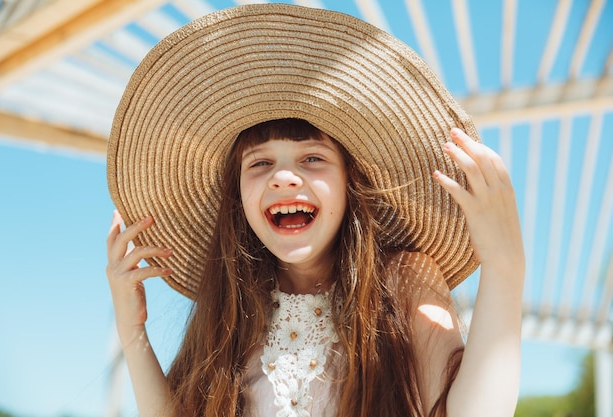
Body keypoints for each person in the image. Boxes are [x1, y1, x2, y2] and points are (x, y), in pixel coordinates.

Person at [105, 4, 524, 417]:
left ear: (350, 185)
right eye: (260, 163)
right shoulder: (231, 310)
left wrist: (505, 266)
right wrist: (132, 332)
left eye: (312, 159)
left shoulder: (403, 280)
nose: (284, 178)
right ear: (237, 197)